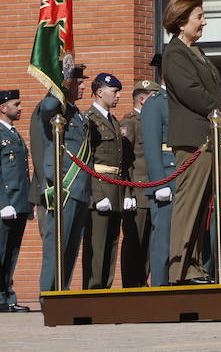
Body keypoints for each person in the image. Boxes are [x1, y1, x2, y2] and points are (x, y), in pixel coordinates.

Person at [161, 0, 221, 285]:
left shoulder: (195, 51)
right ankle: (180, 270)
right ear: (181, 22)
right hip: (194, 141)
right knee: (189, 206)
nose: (204, 22)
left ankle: (195, 266)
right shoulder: (175, 53)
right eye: (198, 16)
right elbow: (191, 91)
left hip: (208, 137)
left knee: (202, 208)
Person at [32, 64, 89, 293]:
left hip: (81, 187)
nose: (83, 86)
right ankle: (49, 295)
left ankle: (61, 293)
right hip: (63, 186)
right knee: (56, 246)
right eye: (79, 82)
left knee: (71, 247)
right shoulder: (56, 108)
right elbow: (48, 105)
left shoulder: (76, 113)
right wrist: (61, 80)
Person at [85, 71, 132, 290]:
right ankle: (93, 289)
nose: (118, 96)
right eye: (114, 92)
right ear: (99, 92)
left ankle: (105, 287)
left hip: (116, 188)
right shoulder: (90, 121)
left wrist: (127, 193)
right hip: (101, 188)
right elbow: (87, 161)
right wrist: (97, 194)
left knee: (112, 242)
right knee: (97, 243)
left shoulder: (112, 120)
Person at [140, 60, 176, 287]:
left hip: (184, 174)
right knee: (163, 237)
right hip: (167, 176)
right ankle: (161, 286)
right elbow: (151, 146)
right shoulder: (155, 103)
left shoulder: (181, 101)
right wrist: (159, 182)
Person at [119, 79, 156, 287]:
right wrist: (127, 193)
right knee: (135, 241)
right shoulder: (130, 122)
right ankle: (131, 284)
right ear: (142, 99)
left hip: (151, 190)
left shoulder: (151, 122)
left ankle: (142, 280)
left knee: (148, 242)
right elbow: (125, 162)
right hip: (137, 192)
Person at [0, 90, 31, 311]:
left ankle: (7, 297)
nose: (20, 107)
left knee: (11, 253)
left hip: (18, 202)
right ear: (3, 107)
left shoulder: (14, 133)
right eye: (16, 104)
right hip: (5, 203)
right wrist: (2, 202)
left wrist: (28, 203)